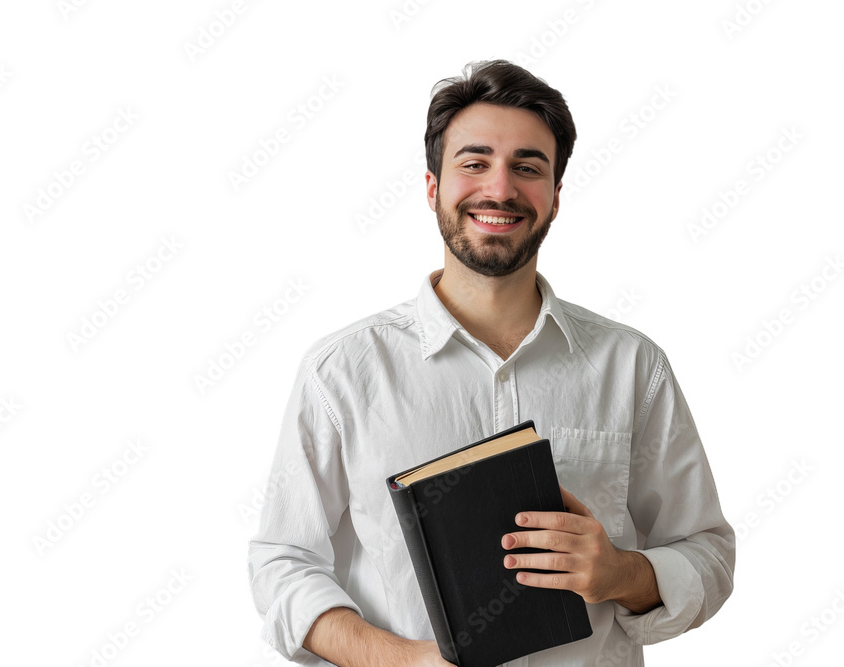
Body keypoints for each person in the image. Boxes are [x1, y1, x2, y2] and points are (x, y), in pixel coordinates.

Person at [247, 59, 734, 667]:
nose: (500, 189)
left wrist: (619, 574)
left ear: (555, 196)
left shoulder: (632, 366)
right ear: (433, 188)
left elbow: (708, 555)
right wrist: (400, 659)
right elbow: (282, 562)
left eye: (527, 168)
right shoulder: (342, 371)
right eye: (474, 163)